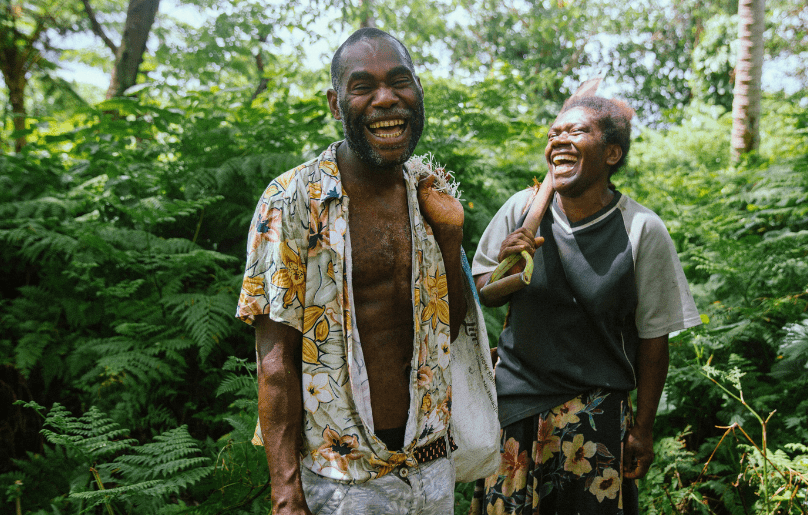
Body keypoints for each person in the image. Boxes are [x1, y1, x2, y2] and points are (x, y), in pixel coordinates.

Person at [235, 28, 481, 515]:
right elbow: (275, 358)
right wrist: (286, 492)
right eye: (363, 86)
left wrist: (451, 239)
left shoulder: (428, 192)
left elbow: (443, 333)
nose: (386, 99)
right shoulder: (293, 200)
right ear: (335, 103)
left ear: (418, 93)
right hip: (342, 476)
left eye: (400, 82)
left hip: (430, 463)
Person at [471, 96, 701, 514]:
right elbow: (481, 291)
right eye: (554, 134)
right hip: (515, 411)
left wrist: (643, 430)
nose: (559, 139)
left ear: (612, 153)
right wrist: (511, 260)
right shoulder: (521, 211)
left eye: (576, 132)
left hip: (597, 420)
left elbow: (653, 339)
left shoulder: (640, 229)